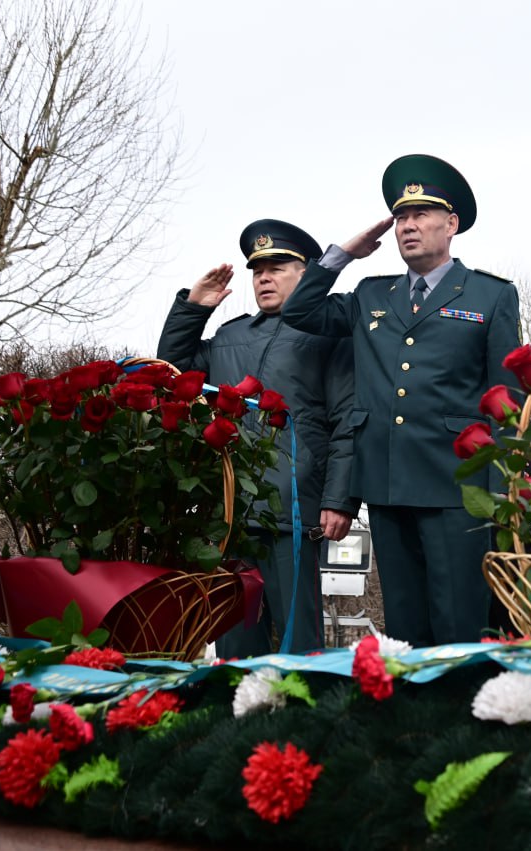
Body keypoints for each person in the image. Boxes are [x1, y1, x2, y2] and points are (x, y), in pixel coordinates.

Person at [281, 154, 521, 647]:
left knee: (459, 624)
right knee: (406, 631)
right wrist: (342, 255)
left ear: (451, 224)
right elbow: (299, 311)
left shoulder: (489, 295)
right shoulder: (372, 295)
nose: (408, 226)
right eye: (400, 218)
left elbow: (506, 399)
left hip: (459, 486)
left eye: (421, 215)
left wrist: (501, 491)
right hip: (387, 482)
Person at [157, 220, 357, 655]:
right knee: (234, 636)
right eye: (258, 270)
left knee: (298, 642)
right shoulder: (230, 336)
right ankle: (237, 700)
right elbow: (172, 371)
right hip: (229, 509)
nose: (264, 278)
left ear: (306, 274)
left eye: (277, 268)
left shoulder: (330, 334)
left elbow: (347, 420)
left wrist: (339, 499)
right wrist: (193, 308)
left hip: (293, 509)